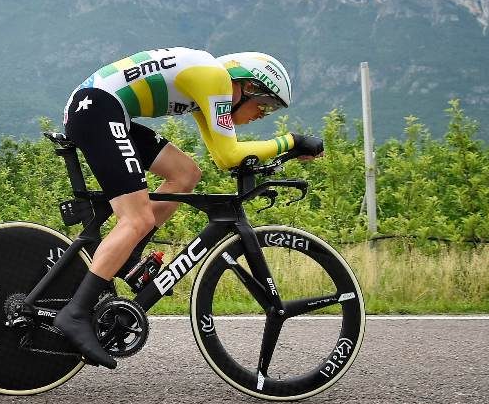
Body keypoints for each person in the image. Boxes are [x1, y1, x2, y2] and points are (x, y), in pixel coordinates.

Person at [54, 47, 323, 368]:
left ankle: (128, 256)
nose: (259, 116)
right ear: (248, 86)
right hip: (98, 108)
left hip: (105, 109)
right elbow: (228, 155)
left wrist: (270, 157)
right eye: (263, 107)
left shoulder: (207, 85)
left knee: (185, 173)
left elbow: (221, 157)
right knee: (136, 218)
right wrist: (292, 142)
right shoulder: (215, 80)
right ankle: (76, 313)